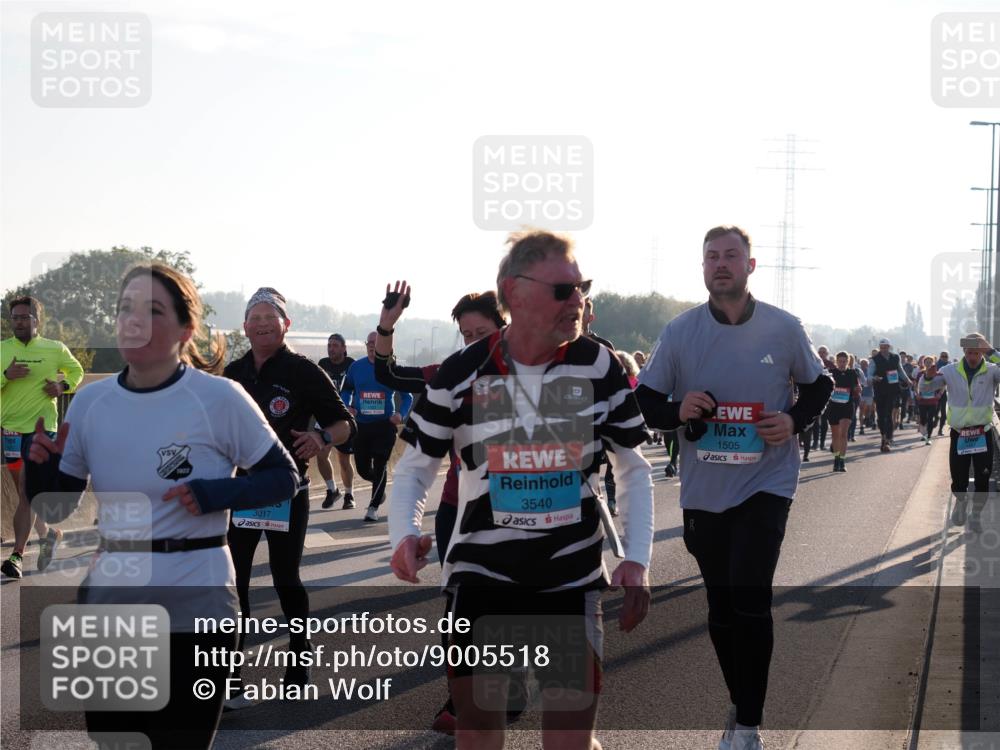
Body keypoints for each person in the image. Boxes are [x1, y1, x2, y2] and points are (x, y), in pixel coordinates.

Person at [389, 230, 654, 750]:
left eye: (582, 288)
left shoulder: (599, 366)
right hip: (483, 580)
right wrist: (403, 533)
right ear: (514, 293)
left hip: (570, 581)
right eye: (563, 291)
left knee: (569, 740)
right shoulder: (461, 372)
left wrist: (637, 559)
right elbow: (415, 466)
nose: (577, 301)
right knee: (481, 733)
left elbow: (633, 468)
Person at [25, 263, 299, 750]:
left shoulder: (219, 398)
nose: (134, 320)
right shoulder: (90, 403)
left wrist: (217, 493)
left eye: (152, 310)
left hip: (199, 599)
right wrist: (42, 471)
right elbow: (56, 510)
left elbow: (284, 477)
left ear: (185, 329)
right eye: (126, 309)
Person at [635, 225, 832, 750]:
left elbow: (820, 386)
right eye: (711, 257)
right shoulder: (679, 332)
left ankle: (748, 727)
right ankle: (740, 700)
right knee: (722, 610)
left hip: (767, 482)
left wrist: (792, 421)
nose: (720, 264)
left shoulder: (783, 328)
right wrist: (677, 410)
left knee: (750, 595)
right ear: (702, 268)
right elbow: (647, 401)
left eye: (731, 256)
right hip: (705, 490)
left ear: (750, 266)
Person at [373, 281, 506, 735]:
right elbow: (390, 375)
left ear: (503, 325)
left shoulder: (535, 371)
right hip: (458, 509)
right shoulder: (452, 371)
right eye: (465, 334)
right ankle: (461, 699)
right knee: (460, 608)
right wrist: (387, 324)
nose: (473, 341)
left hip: (528, 510)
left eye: (481, 331)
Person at [223, 287, 355, 708]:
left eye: (270, 317)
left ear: (286, 324)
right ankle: (231, 672)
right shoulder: (234, 373)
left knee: (285, 578)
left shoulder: (303, 372)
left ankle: (298, 658)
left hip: (287, 491)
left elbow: (345, 424)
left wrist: (321, 436)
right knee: (234, 582)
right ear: (244, 327)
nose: (261, 324)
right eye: (254, 318)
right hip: (241, 492)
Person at [1, 296, 84, 579]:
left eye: (25, 317)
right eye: (15, 318)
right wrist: (5, 375)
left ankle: (17, 556)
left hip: (42, 429)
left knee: (26, 491)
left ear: (37, 321)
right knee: (26, 493)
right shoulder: (2, 350)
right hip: (10, 428)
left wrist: (62, 385)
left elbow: (77, 371)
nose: (20, 322)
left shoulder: (54, 348)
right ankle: (49, 534)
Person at [340, 332, 413, 522]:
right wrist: (347, 406)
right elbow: (346, 390)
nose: (372, 345)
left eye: (376, 342)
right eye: (369, 343)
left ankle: (373, 507)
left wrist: (401, 414)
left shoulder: (391, 368)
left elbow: (407, 396)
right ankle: (379, 488)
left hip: (385, 425)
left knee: (380, 464)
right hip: (361, 425)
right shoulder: (356, 367)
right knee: (363, 469)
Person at [938, 333, 1000, 535]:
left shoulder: (992, 371)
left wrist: (991, 352)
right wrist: (928, 378)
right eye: (969, 352)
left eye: (976, 352)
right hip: (960, 434)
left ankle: (976, 516)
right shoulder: (949, 371)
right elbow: (927, 387)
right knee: (958, 479)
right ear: (963, 351)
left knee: (983, 479)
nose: (972, 356)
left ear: (981, 351)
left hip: (983, 432)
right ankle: (961, 502)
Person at [316, 333, 356, 508]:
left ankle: (349, 495)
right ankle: (332, 490)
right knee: (321, 453)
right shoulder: (322, 364)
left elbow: (359, 388)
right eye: (329, 345)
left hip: (344, 418)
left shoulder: (352, 366)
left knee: (343, 459)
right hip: (325, 416)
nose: (331, 348)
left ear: (344, 348)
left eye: (335, 345)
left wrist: (354, 406)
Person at [868, 338, 909, 453]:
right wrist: (874, 378)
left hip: (892, 390)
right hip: (880, 390)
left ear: (889, 347)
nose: (883, 349)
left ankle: (887, 439)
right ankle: (883, 436)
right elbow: (869, 375)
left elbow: (900, 371)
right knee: (881, 416)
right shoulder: (874, 360)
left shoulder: (895, 358)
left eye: (885, 347)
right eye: (881, 347)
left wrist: (908, 380)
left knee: (888, 414)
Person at [827, 352, 861, 472]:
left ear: (848, 362)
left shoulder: (852, 373)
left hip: (847, 405)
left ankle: (842, 460)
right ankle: (836, 460)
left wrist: (858, 389)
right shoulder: (832, 373)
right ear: (836, 361)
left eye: (844, 361)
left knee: (844, 434)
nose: (842, 364)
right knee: (835, 434)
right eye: (840, 361)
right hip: (834, 405)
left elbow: (857, 387)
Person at [914, 357, 946, 445]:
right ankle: (924, 435)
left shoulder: (938, 374)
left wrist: (939, 394)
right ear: (924, 363)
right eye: (926, 362)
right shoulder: (920, 374)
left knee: (930, 418)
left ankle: (928, 438)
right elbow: (915, 385)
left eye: (930, 362)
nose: (928, 364)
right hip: (922, 400)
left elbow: (943, 384)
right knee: (923, 419)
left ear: (933, 363)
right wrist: (917, 394)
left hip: (933, 400)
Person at [935, 351, 950, 436]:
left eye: (946, 356)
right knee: (935, 411)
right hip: (935, 390)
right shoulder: (935, 365)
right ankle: (936, 418)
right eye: (942, 356)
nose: (944, 358)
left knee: (943, 412)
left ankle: (940, 429)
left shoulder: (950, 366)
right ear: (940, 356)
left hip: (944, 391)